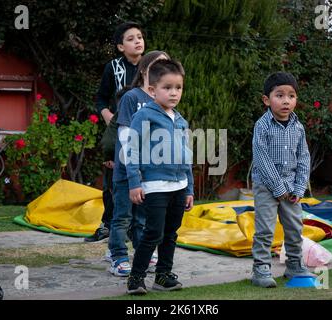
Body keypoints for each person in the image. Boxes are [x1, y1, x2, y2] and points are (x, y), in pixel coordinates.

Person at [125, 59, 194, 295]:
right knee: (153, 232)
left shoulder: (181, 120)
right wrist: (134, 183)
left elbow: (187, 158)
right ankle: (136, 279)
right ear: (153, 90)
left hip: (179, 186)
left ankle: (163, 276)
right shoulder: (144, 116)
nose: (174, 93)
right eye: (167, 87)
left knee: (171, 233)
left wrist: (189, 189)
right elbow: (131, 150)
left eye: (178, 87)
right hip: (155, 186)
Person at [108, 50, 170, 276]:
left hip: (150, 173)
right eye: (157, 64)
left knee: (143, 218)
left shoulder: (163, 100)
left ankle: (142, 253)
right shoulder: (131, 97)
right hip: (127, 172)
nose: (163, 68)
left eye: (166, 64)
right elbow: (125, 136)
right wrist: (133, 169)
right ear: (144, 69)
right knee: (122, 216)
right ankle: (118, 256)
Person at [251, 72, 314, 288]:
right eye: (279, 95)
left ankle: (295, 264)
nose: (286, 101)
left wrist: (299, 187)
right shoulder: (263, 126)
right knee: (265, 229)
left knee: (295, 228)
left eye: (291, 96)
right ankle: (261, 268)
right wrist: (278, 188)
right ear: (267, 100)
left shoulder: (298, 127)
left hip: (292, 188)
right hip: (266, 187)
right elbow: (262, 159)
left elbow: (304, 158)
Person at [85, 21, 145, 242]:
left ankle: (136, 227)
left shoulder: (150, 67)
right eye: (131, 39)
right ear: (121, 47)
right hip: (119, 129)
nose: (137, 41)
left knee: (142, 177)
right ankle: (108, 225)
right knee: (113, 178)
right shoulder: (113, 67)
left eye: (139, 37)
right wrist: (108, 116)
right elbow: (101, 97)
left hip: (144, 131)